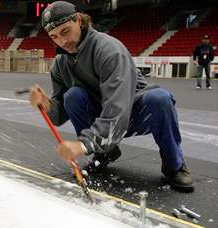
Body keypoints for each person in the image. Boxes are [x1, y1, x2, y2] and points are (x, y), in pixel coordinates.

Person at [29, 1, 193, 192]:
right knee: (73, 95)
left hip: (132, 111)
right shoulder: (60, 64)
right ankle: (104, 153)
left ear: (79, 20)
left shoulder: (109, 50)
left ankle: (175, 165)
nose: (62, 42)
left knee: (160, 99)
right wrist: (46, 105)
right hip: (103, 116)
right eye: (54, 37)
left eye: (65, 31)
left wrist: (83, 144)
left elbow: (118, 110)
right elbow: (59, 115)